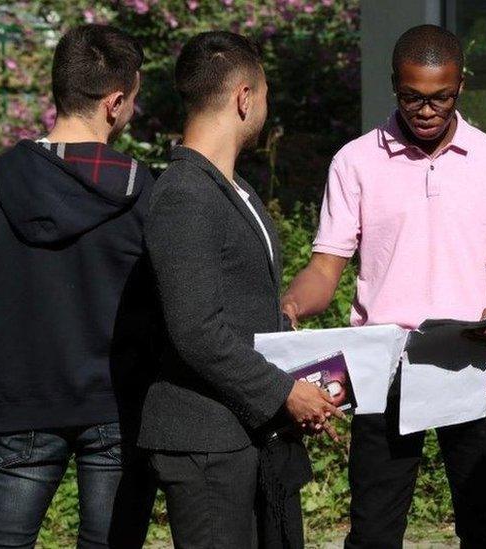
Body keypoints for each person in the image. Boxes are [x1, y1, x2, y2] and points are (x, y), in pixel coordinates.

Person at [281, 24, 486, 549]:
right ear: (394, 85)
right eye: (412, 97)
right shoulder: (354, 161)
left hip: (476, 369)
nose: (426, 110)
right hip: (385, 369)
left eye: (440, 98)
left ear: (460, 85)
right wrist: (290, 304)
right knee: (374, 531)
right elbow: (325, 269)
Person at [0, 24, 157, 548]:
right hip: (117, 407)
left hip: (21, 403)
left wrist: (8, 370)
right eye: (132, 98)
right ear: (114, 102)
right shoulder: (144, 193)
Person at [137, 31, 342, 548]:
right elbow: (197, 331)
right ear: (244, 97)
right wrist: (284, 392)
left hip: (250, 431)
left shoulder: (235, 188)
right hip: (207, 441)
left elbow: (241, 308)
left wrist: (300, 373)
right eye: (266, 95)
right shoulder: (184, 193)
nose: (266, 108)